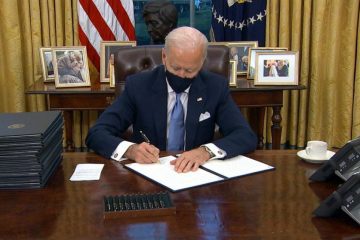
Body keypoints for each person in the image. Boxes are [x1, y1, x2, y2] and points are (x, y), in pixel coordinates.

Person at [86, 26, 257, 173]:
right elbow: (97, 134)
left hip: (196, 175)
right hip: (149, 176)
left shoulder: (215, 87)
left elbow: (245, 135)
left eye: (190, 70)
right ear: (164, 57)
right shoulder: (139, 86)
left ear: (202, 62)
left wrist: (206, 152)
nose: (182, 75)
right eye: (176, 68)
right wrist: (130, 150)